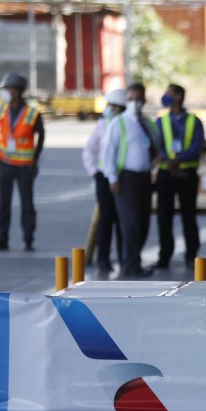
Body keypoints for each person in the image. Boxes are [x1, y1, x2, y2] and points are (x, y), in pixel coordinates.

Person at [101, 83, 161, 277]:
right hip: (126, 178)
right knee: (131, 223)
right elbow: (108, 153)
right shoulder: (118, 123)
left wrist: (156, 160)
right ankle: (130, 265)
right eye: (130, 99)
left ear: (144, 100)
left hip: (145, 177)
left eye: (138, 99)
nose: (134, 103)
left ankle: (134, 260)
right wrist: (113, 178)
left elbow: (155, 146)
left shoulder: (148, 124)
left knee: (143, 222)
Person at [0, 72, 45, 251]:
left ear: (18, 90)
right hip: (4, 162)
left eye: (9, 88)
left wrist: (35, 158)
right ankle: (1, 239)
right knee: (3, 203)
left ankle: (28, 239)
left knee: (27, 204)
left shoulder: (32, 113)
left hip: (24, 166)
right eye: (6, 88)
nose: (6, 92)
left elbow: (41, 135)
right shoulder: (1, 109)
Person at [154, 84, 205, 270]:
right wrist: (168, 161)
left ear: (180, 97)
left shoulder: (194, 121)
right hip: (166, 174)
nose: (165, 97)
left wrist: (178, 160)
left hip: (186, 174)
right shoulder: (161, 121)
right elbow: (157, 145)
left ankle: (191, 255)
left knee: (188, 215)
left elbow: (197, 146)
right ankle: (164, 256)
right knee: (164, 216)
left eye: (169, 94)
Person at [81, 88, 127, 273]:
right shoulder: (102, 125)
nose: (108, 108)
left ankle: (124, 259)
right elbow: (88, 150)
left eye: (112, 105)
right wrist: (94, 171)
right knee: (106, 217)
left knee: (123, 218)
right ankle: (103, 259)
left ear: (120, 108)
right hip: (104, 177)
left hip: (123, 177)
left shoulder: (126, 124)